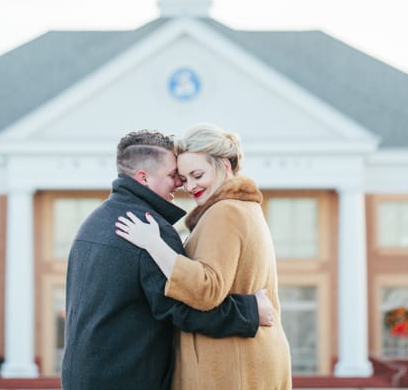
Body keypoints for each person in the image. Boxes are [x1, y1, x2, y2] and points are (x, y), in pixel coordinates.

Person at [62, 130, 274, 390]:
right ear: (143, 178)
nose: (180, 184)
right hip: (129, 379)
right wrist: (251, 311)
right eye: (175, 176)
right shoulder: (149, 227)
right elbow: (182, 309)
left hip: (81, 377)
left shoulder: (94, 223)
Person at [116, 123, 293, 390]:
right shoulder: (243, 208)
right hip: (247, 359)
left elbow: (207, 289)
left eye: (197, 175)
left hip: (231, 368)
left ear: (225, 166)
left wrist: (154, 244)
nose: (190, 186)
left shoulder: (225, 212)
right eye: (184, 179)